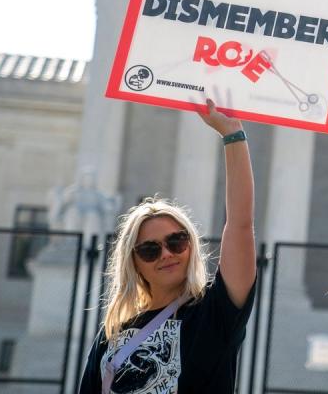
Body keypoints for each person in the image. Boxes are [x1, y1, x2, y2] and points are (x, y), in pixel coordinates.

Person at [79, 99, 257, 394]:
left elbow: (239, 224)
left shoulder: (214, 314)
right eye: (150, 249)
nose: (166, 254)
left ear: (190, 246)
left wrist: (232, 133)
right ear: (134, 263)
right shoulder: (111, 334)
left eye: (176, 241)